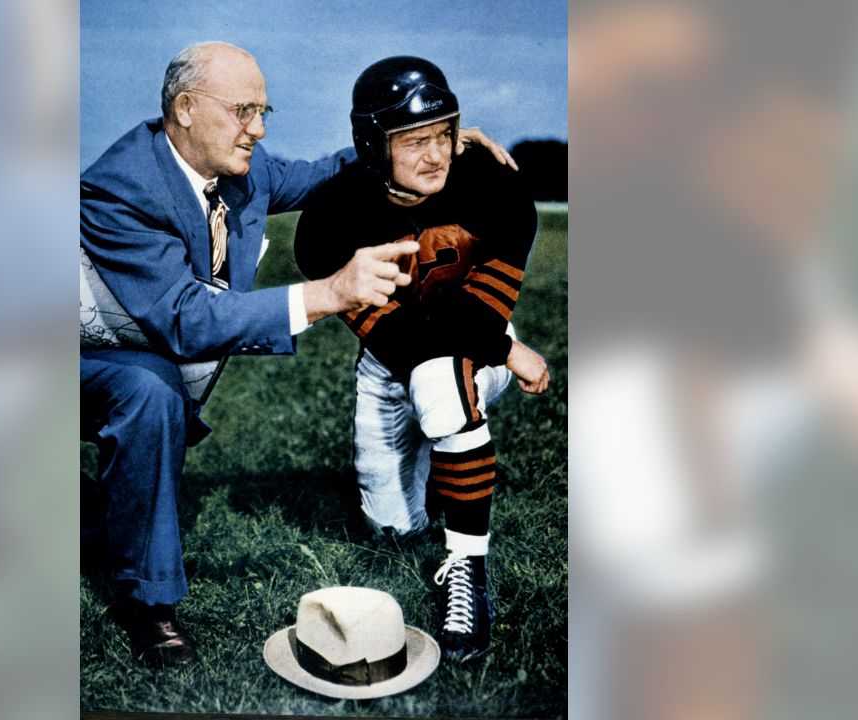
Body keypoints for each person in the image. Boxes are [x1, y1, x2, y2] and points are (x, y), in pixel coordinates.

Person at [80, 41, 515, 668]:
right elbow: (183, 318)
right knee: (148, 391)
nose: (258, 128)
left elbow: (322, 171)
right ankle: (149, 606)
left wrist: (420, 139)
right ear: (184, 108)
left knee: (152, 388)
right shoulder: (120, 188)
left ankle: (108, 526)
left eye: (264, 109)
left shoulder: (239, 170)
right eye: (243, 111)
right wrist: (328, 293)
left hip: (135, 343)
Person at [294, 56, 550, 661]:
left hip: (474, 348)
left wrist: (495, 345)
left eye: (443, 134)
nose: (435, 155)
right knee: (394, 532)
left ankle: (469, 572)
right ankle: (448, 475)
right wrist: (510, 351)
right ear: (372, 146)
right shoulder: (332, 218)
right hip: (393, 361)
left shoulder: (497, 185)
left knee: (442, 381)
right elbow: (400, 340)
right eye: (413, 141)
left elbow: (480, 321)